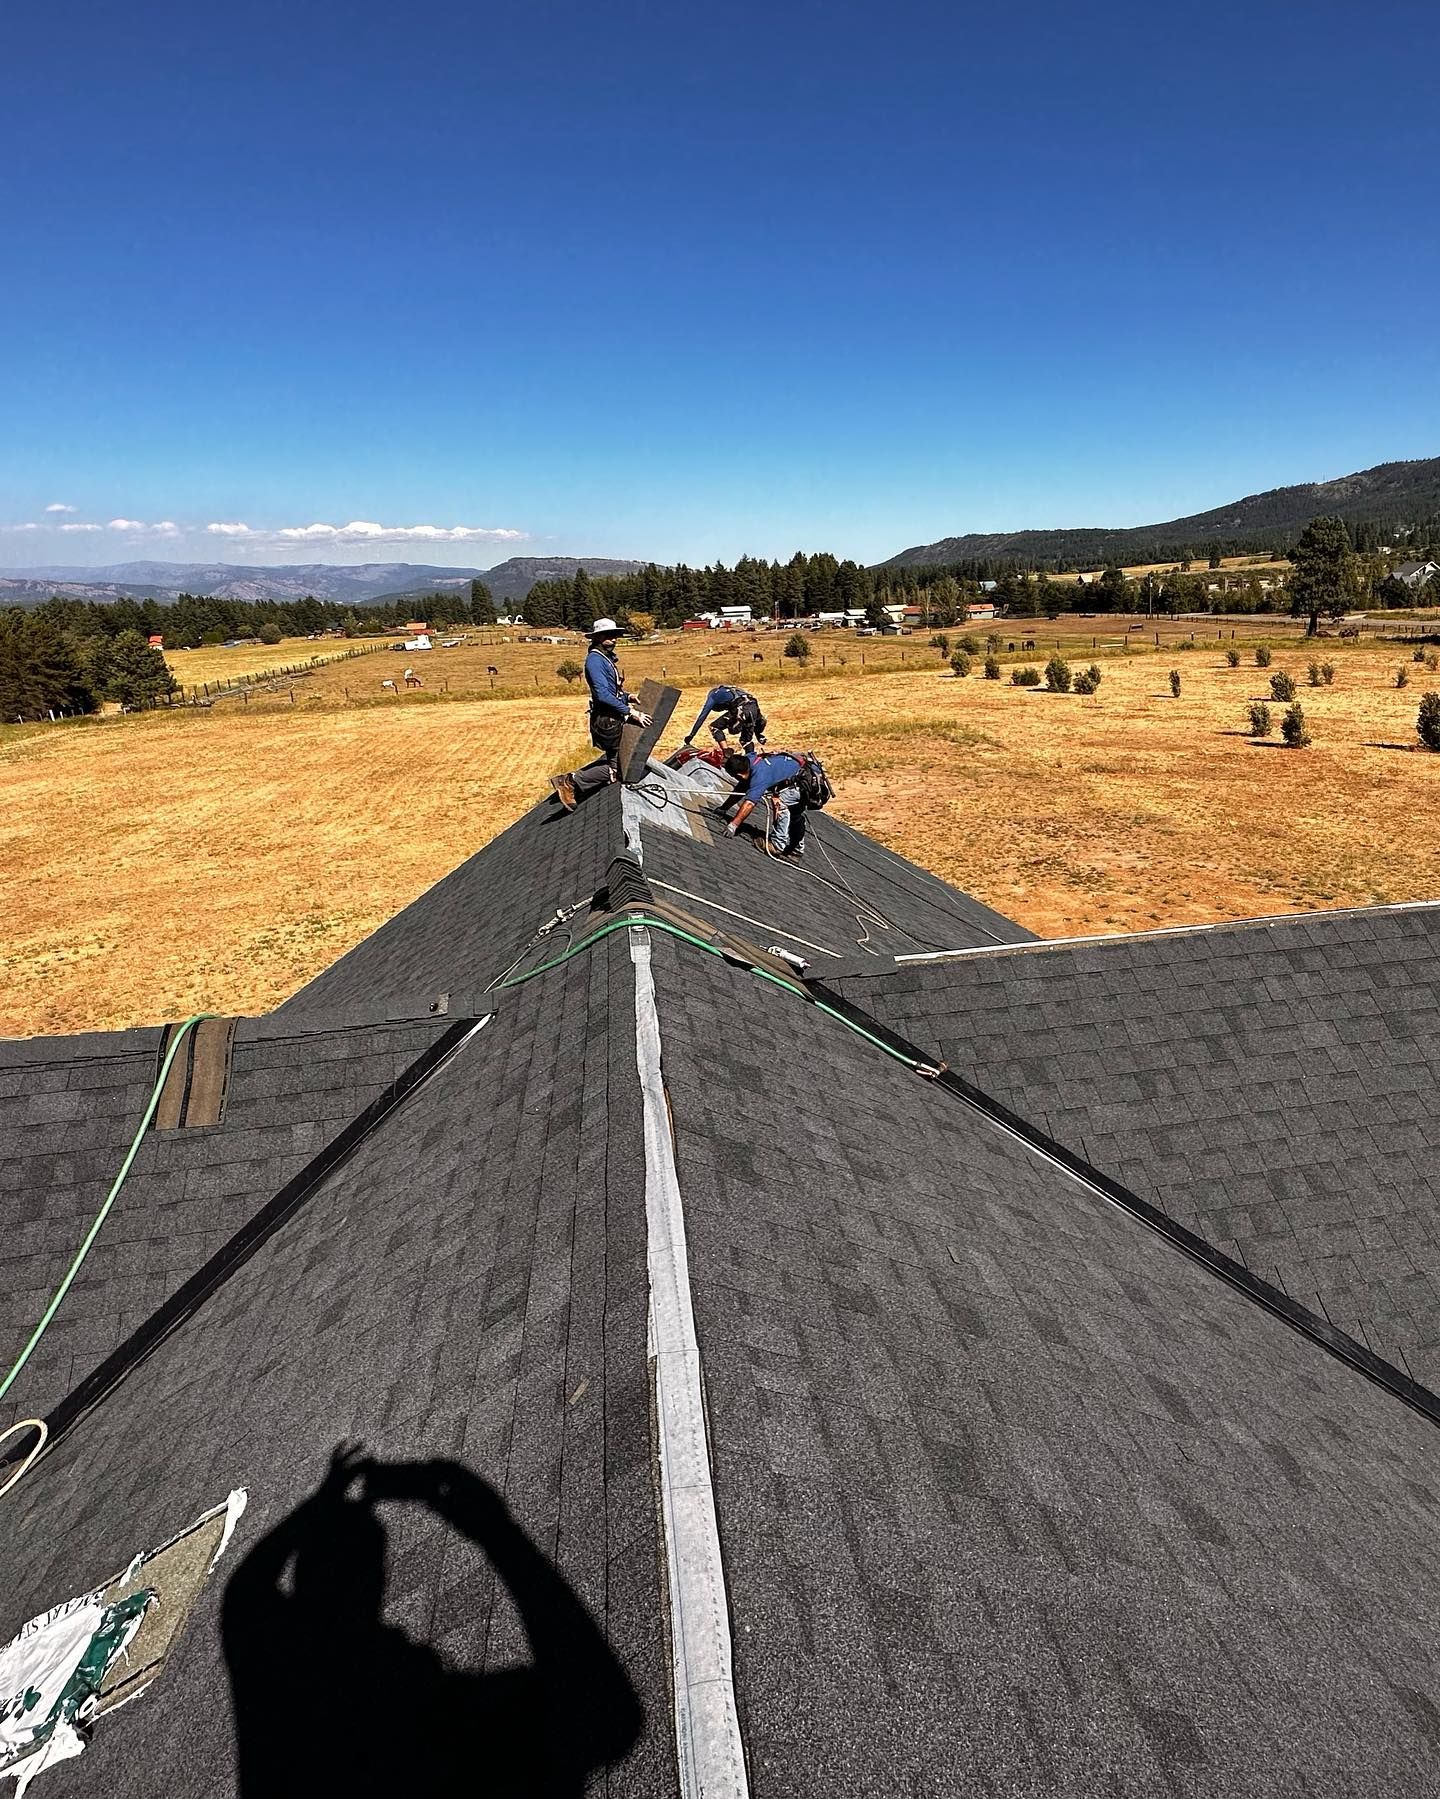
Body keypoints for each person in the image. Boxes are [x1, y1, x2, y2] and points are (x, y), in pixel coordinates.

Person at [550, 618, 651, 810]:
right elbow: (603, 695)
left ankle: (575, 781)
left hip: (610, 717)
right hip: (608, 721)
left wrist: (628, 697)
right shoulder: (595, 661)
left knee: (618, 761)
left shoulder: (604, 658)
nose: (615, 639)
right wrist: (631, 712)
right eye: (610, 636)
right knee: (618, 769)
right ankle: (570, 781)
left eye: (615, 635)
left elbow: (611, 691)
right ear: (599, 637)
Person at [722, 748, 808, 857]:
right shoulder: (749, 760)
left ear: (739, 775)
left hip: (803, 784)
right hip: (801, 777)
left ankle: (777, 845)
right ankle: (796, 850)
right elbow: (742, 787)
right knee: (794, 815)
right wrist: (724, 808)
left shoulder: (760, 775)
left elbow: (750, 803)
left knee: (780, 802)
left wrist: (733, 826)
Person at [683, 684, 767, 751]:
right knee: (745, 740)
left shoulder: (712, 697)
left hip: (740, 709)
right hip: (753, 707)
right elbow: (754, 714)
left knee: (714, 727)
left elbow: (702, 717)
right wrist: (758, 734)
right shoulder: (735, 690)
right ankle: (752, 758)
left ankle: (726, 753)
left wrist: (691, 735)